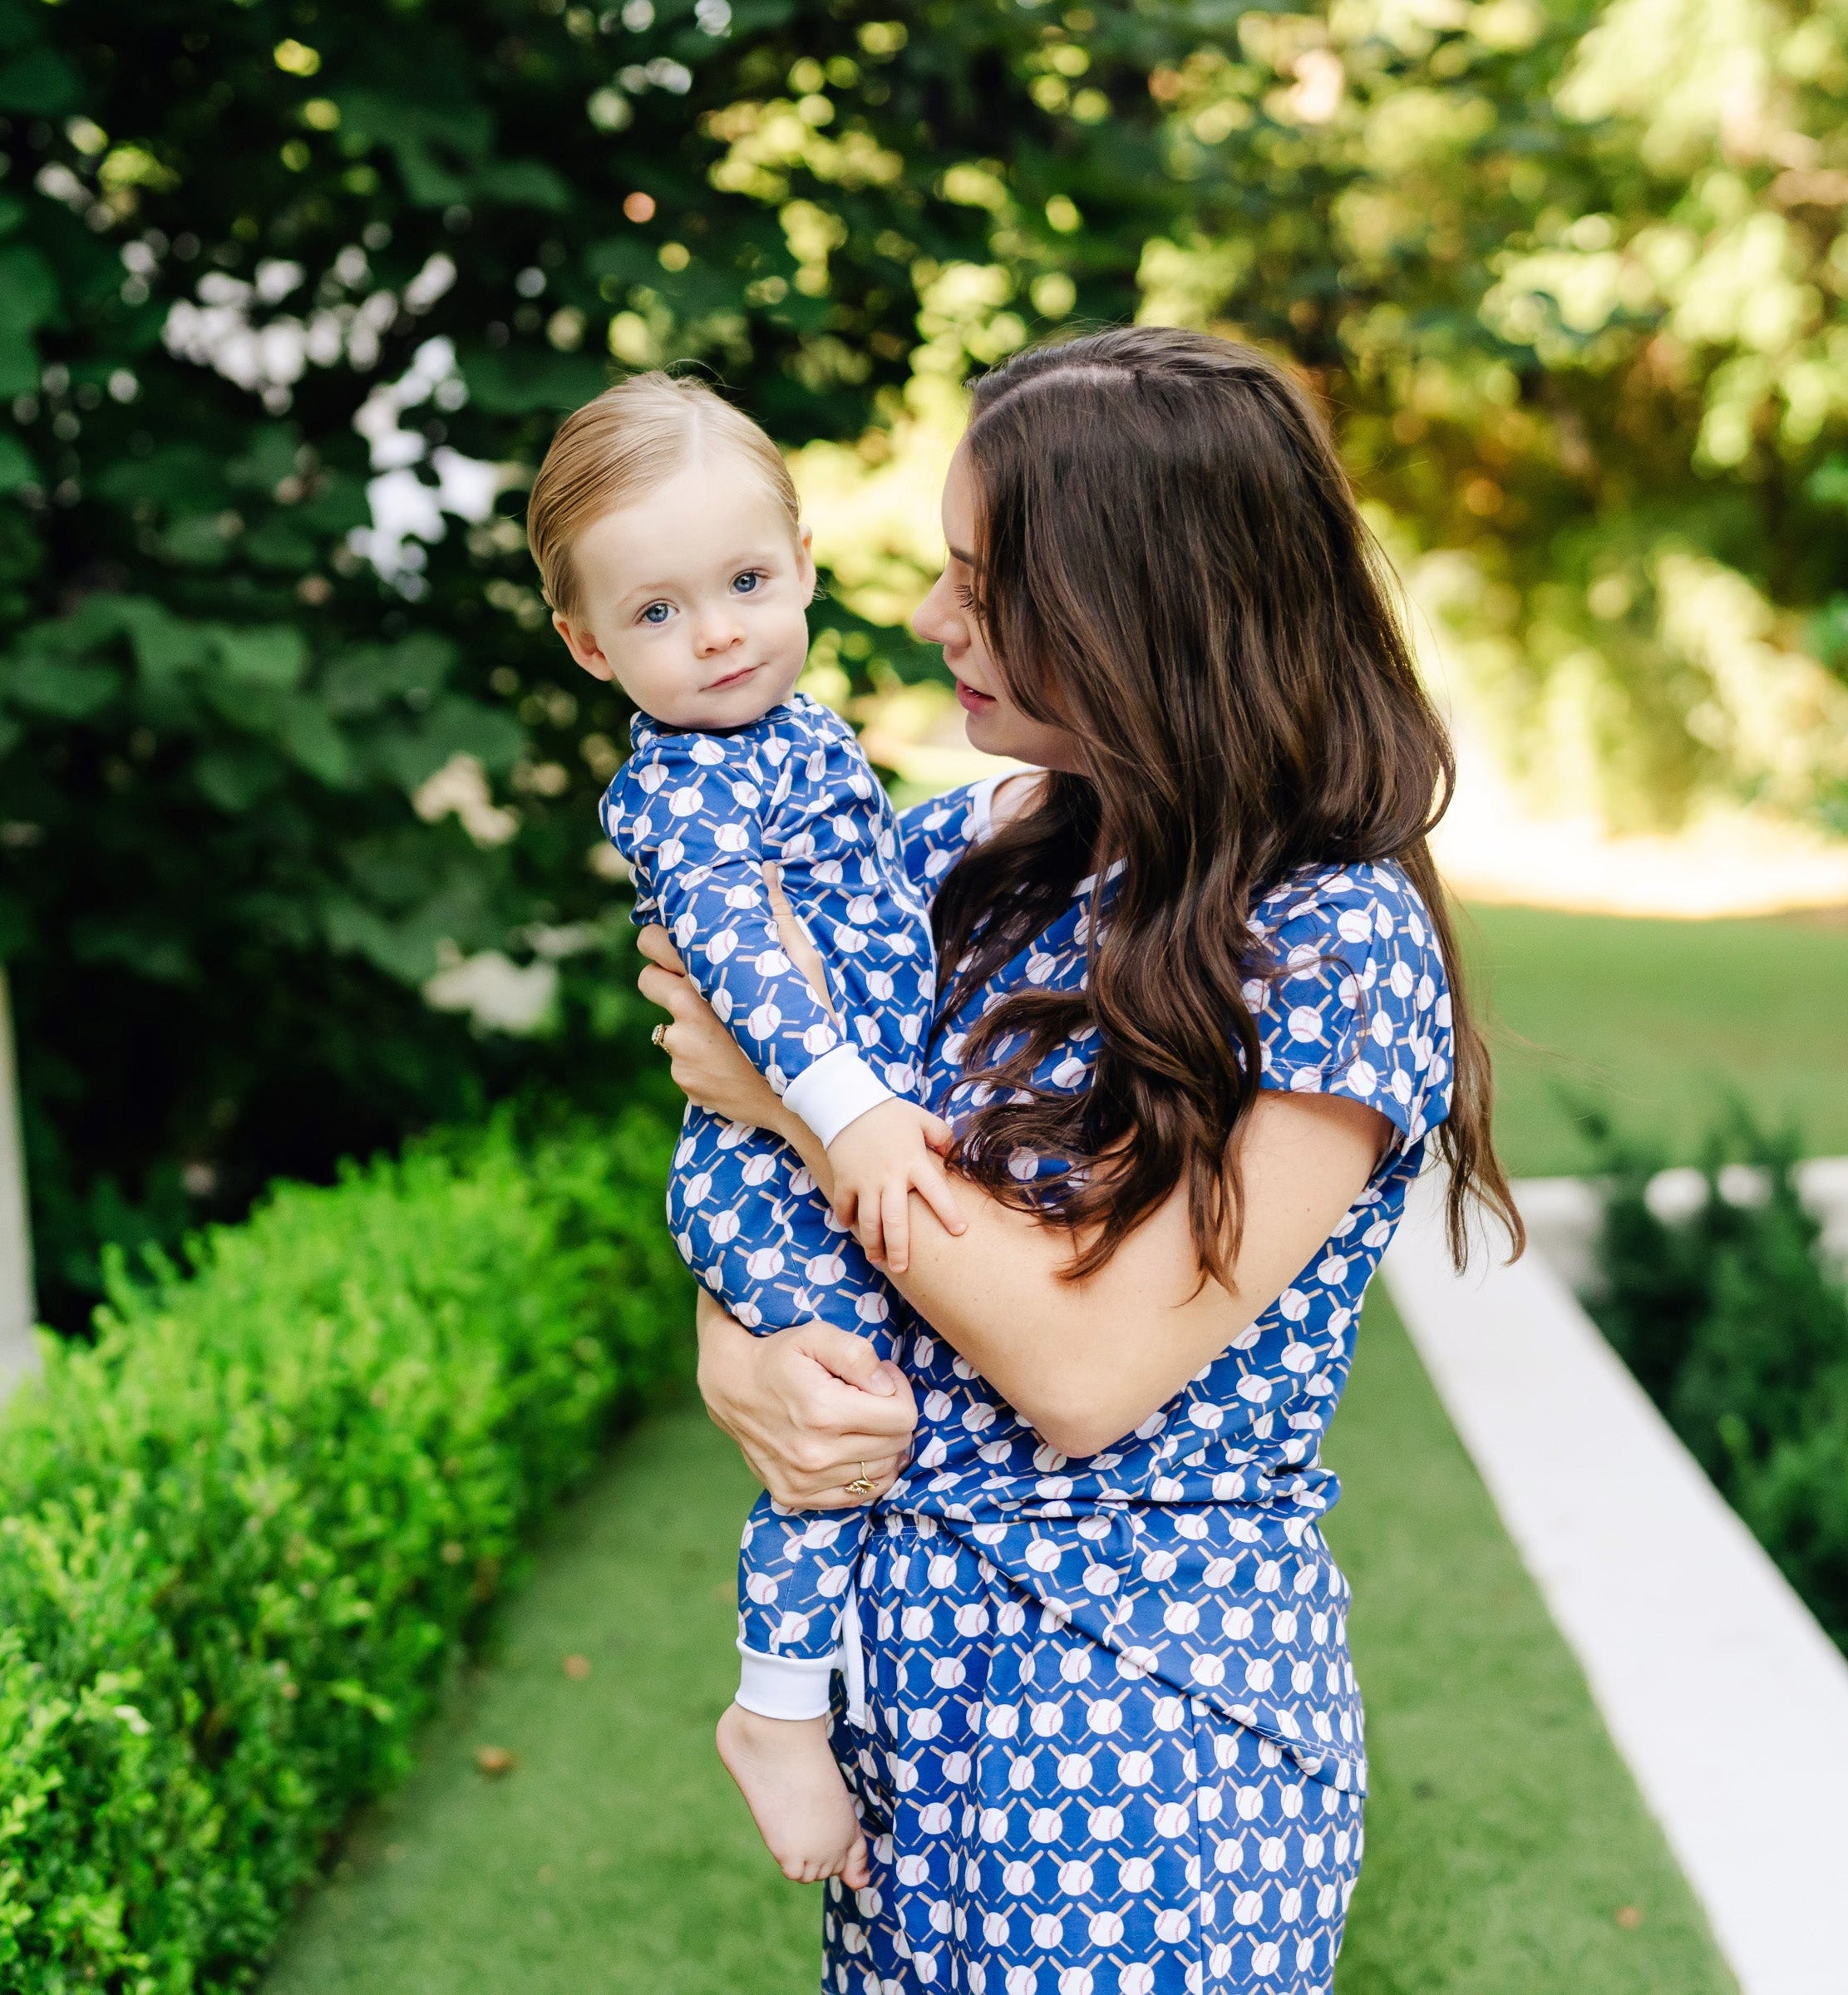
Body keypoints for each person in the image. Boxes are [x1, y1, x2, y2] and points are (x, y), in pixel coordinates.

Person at [640, 326, 1523, 1993]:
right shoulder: (970, 852)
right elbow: (738, 1149)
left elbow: (1088, 1360)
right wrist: (737, 1361)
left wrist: (792, 1098)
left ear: (1141, 610)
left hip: (1143, 1749)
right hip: (906, 1726)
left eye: (982, 579)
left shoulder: (1334, 949)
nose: (927, 617)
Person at [526, 371, 967, 1886]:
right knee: (839, 1425)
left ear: (803, 567)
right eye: (654, 612)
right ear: (587, 643)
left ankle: (823, 1701)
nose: (714, 632)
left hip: (820, 1139)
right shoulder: (680, 794)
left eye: (744, 583)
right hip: (770, 1163)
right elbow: (748, 970)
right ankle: (778, 1711)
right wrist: (848, 1118)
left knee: (868, 1406)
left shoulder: (805, 733)